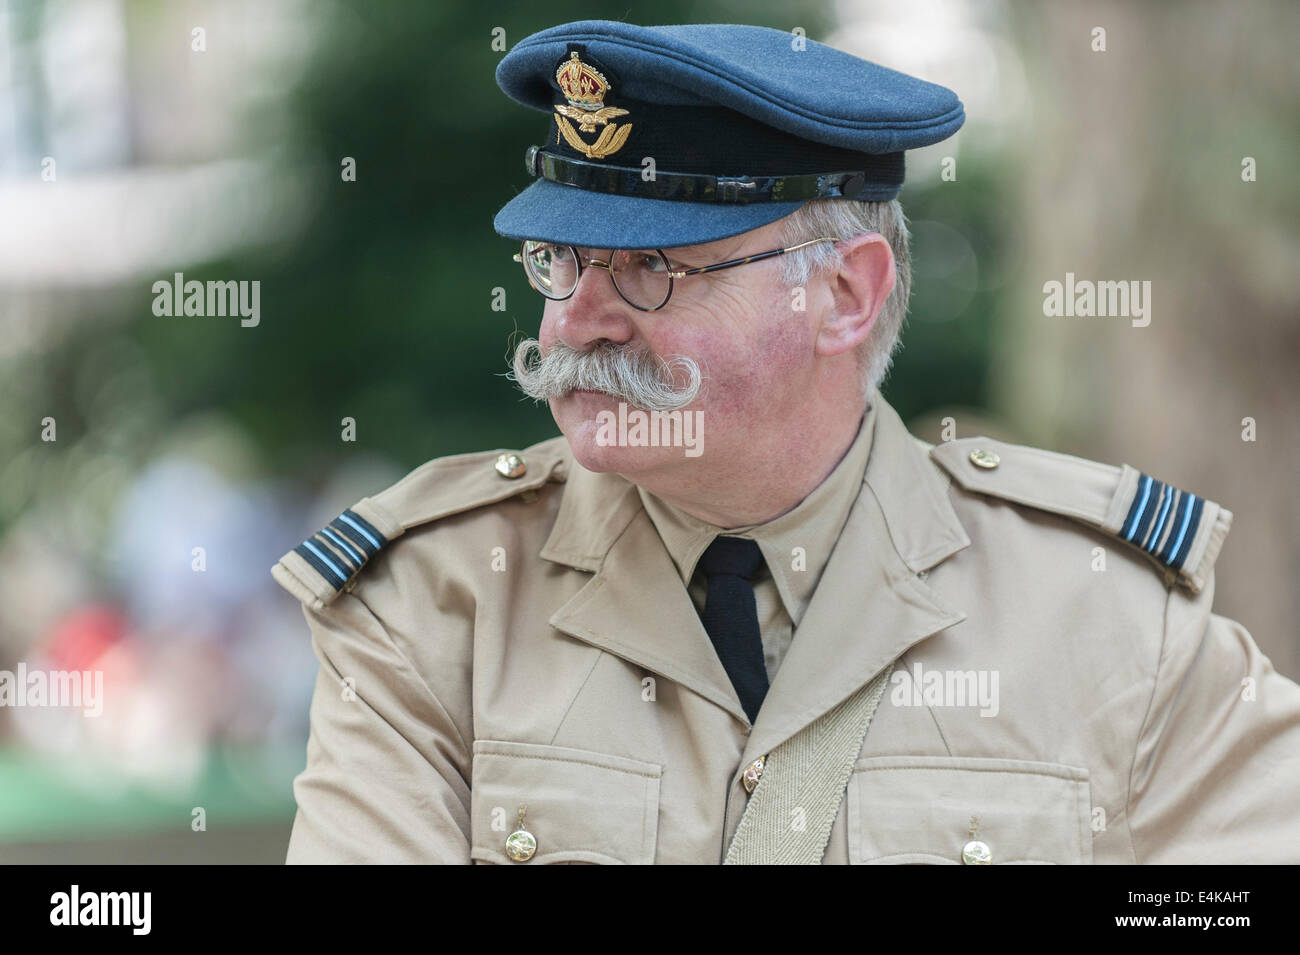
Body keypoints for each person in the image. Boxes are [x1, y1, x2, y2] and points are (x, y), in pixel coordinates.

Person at [272, 19, 1300, 864]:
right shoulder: (432, 608)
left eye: (650, 268)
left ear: (844, 294)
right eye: (561, 261)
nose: (575, 323)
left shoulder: (1103, 609)